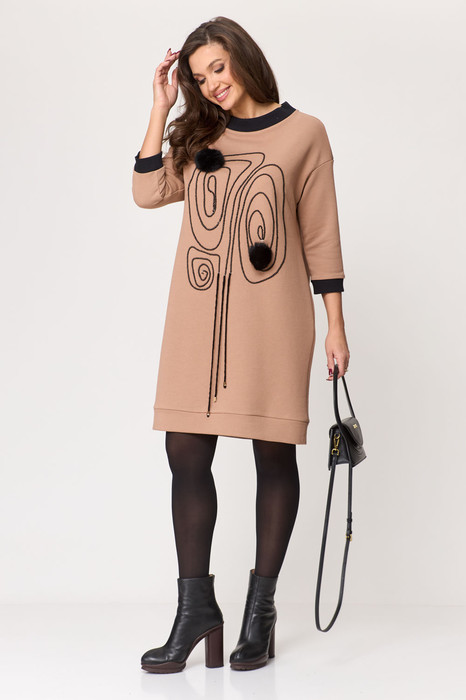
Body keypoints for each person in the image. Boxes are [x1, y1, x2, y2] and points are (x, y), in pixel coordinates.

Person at [132, 16, 350, 673]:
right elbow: (146, 191)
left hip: (273, 319)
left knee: (273, 456)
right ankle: (196, 610)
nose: (212, 85)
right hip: (197, 319)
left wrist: (336, 325)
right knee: (185, 452)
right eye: (200, 78)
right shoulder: (201, 135)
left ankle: (261, 613)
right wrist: (161, 107)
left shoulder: (305, 133)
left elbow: (321, 234)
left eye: (218, 69)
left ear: (244, 59)